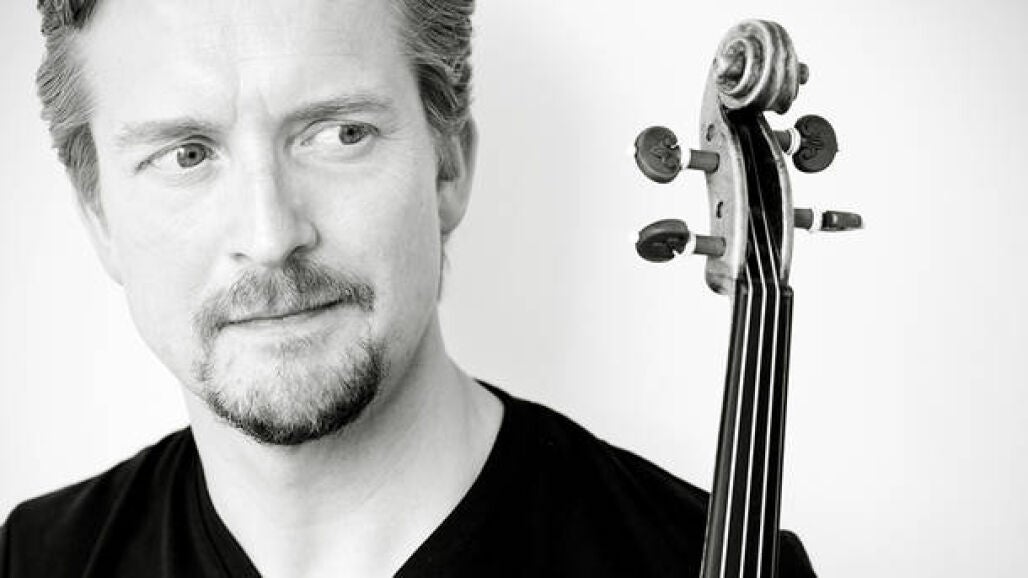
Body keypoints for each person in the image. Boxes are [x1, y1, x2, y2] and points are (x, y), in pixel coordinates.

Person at [0, 0, 817, 576]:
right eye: (186, 155)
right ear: (99, 218)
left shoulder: (695, 557)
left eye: (340, 133)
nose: (271, 234)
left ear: (448, 167)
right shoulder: (35, 558)